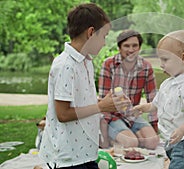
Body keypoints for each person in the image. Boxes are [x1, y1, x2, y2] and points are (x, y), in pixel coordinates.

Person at [39, 3, 122, 168]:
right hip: (68, 158)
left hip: (85, 152)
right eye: (104, 36)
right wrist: (101, 106)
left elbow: (80, 100)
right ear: (91, 33)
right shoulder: (65, 65)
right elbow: (62, 114)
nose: (105, 43)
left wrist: (104, 102)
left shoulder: (86, 61)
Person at [133, 30, 184, 169]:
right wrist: (144, 108)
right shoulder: (169, 83)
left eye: (165, 59)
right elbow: (156, 104)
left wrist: (181, 131)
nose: (161, 65)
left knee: (179, 165)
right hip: (171, 138)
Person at [98, 29, 159, 149]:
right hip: (113, 116)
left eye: (134, 45)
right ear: (119, 48)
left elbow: (153, 99)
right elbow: (104, 101)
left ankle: (131, 136)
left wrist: (154, 126)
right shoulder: (109, 65)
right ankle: (119, 139)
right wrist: (104, 132)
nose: (131, 50)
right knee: (131, 143)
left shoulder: (146, 67)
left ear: (139, 47)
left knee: (152, 142)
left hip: (133, 114)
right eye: (126, 46)